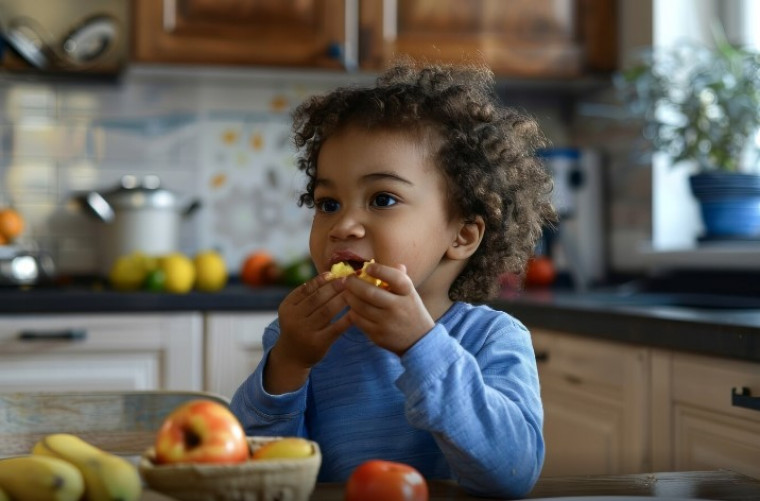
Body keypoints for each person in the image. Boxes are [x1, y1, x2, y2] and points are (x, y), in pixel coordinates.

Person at [231, 59, 556, 498]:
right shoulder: (304, 339)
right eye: (328, 203)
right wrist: (288, 363)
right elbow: (254, 472)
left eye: (382, 199)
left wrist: (421, 346)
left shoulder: (491, 339)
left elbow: (513, 474)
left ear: (462, 235)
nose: (343, 225)